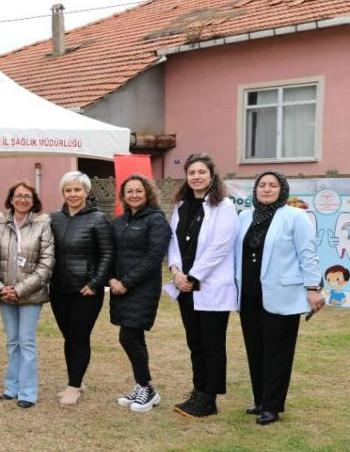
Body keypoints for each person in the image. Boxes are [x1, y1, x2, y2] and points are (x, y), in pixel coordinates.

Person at [235, 171, 324, 425]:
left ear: (282, 190)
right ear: (255, 189)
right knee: (255, 349)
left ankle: (272, 406)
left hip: (282, 293)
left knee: (278, 351)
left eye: (272, 185)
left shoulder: (295, 216)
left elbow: (308, 253)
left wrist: (312, 286)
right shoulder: (244, 217)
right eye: (262, 185)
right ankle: (260, 400)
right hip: (250, 294)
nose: (266, 189)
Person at [167, 153, 238, 418]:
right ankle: (198, 390)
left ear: (211, 175)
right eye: (191, 173)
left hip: (208, 286)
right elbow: (173, 241)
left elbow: (220, 247)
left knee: (212, 344)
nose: (196, 177)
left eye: (201, 172)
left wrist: (193, 276)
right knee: (195, 343)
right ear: (186, 177)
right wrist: (175, 271)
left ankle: (210, 398)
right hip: (185, 286)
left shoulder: (224, 207)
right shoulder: (182, 205)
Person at [47, 171, 113, 406]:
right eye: (68, 190)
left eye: (77, 189)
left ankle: (74, 386)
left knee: (79, 337)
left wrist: (95, 284)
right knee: (68, 337)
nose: (73, 194)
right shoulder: (53, 218)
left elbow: (107, 254)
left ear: (86, 192)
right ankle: (76, 378)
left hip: (86, 292)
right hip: (58, 289)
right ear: (62, 193)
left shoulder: (98, 219)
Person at [0, 182, 54, 409]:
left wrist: (20, 289)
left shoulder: (43, 225)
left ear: (33, 200)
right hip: (4, 294)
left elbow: (47, 263)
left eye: (27, 196)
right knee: (12, 341)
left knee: (27, 341)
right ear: (10, 199)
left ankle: (27, 392)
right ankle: (11, 387)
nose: (22, 199)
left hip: (31, 295)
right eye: (18, 195)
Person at [107, 174, 171, 413]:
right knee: (134, 338)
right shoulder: (119, 220)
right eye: (129, 191)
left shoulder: (156, 220)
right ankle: (141, 385)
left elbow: (154, 258)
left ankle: (147, 389)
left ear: (148, 193)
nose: (134, 195)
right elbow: (111, 252)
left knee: (129, 337)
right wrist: (111, 278)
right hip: (120, 287)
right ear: (123, 195)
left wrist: (127, 282)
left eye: (138, 191)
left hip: (141, 288)